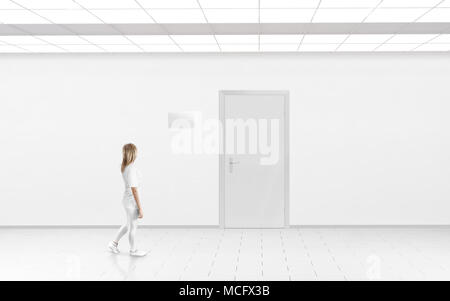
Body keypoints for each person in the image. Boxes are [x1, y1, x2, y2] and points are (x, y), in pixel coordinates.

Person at [107, 143, 147, 257]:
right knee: (133, 226)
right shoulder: (131, 169)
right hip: (131, 202)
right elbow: (134, 190)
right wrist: (140, 208)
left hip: (127, 200)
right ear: (133, 153)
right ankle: (133, 250)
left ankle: (113, 244)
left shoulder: (124, 166)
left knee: (128, 225)